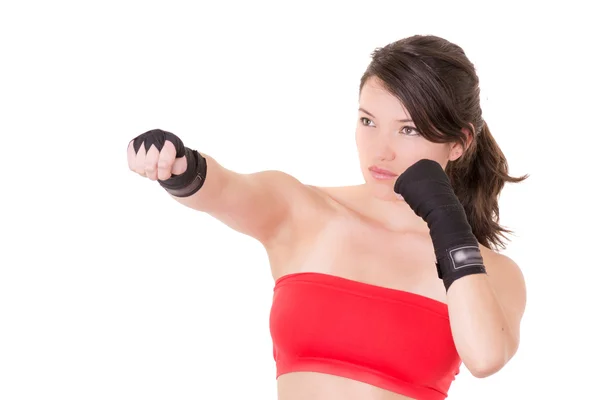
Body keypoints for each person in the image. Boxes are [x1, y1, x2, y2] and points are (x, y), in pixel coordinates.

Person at [126, 34, 528, 400]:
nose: (380, 151)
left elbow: (486, 357)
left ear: (459, 143)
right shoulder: (304, 213)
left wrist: (446, 221)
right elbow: (228, 189)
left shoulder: (492, 272)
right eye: (368, 121)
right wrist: (180, 165)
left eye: (408, 130)